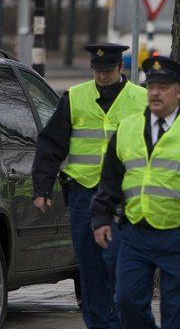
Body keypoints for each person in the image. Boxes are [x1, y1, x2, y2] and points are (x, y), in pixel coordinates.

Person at [90, 56, 180, 328]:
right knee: (127, 301)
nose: (155, 93)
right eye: (151, 87)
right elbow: (110, 179)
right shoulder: (128, 127)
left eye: (164, 87)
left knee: (175, 311)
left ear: (179, 91)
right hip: (136, 231)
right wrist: (100, 217)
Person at [31, 43, 147, 328]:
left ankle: (119, 320)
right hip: (85, 193)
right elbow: (51, 143)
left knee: (119, 260)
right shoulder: (75, 97)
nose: (101, 76)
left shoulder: (142, 99)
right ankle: (97, 323)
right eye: (96, 70)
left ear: (121, 68)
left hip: (128, 194)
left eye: (107, 71)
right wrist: (42, 188)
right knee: (91, 265)